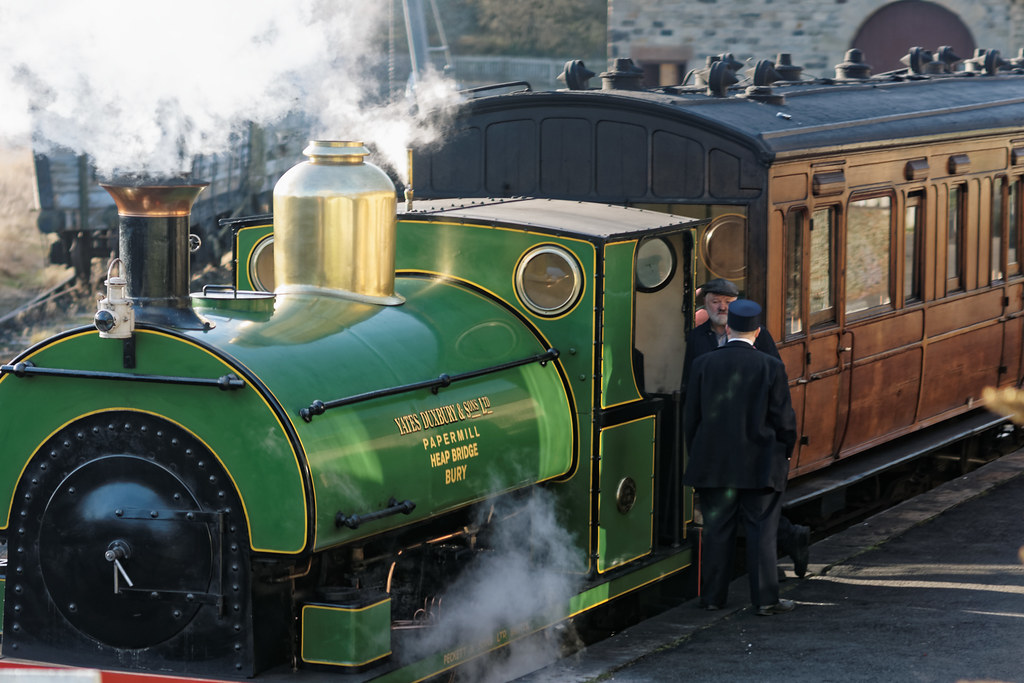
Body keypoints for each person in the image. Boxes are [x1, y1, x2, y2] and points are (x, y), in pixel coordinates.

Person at [682, 278, 810, 579]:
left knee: (750, 514)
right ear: (706, 304)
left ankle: (768, 567)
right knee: (746, 513)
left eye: (728, 301)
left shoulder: (759, 337)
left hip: (752, 437)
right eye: (715, 300)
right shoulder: (696, 338)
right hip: (717, 438)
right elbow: (690, 389)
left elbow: (775, 387)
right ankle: (780, 558)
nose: (722, 306)